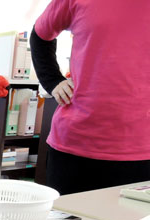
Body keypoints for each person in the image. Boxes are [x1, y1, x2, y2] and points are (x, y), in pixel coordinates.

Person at [30, 0, 150, 195]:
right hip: (75, 145)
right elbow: (40, 35)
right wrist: (52, 81)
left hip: (141, 150)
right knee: (66, 214)